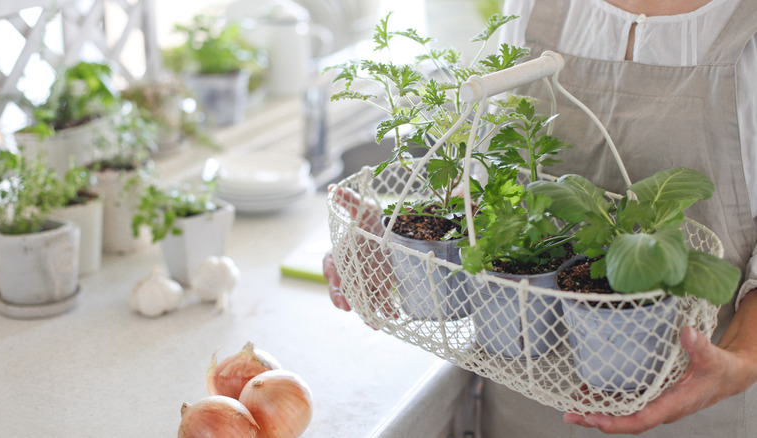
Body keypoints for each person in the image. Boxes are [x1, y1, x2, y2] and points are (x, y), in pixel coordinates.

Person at [323, 0, 757, 435]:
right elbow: (491, 183)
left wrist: (740, 359)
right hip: (522, 391)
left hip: (697, 402)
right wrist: (403, 246)